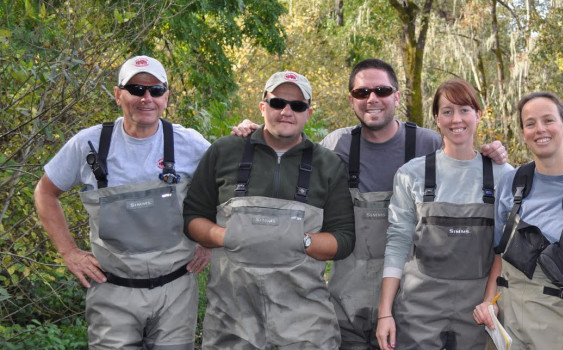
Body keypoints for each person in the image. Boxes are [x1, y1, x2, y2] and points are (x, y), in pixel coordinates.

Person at [233, 58, 508, 349]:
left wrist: (493, 154)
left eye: (382, 91)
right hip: (347, 302)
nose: (372, 99)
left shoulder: (428, 143)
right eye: (363, 93)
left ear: (397, 96)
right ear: (351, 100)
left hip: (412, 306)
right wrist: (257, 136)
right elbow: (289, 163)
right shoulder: (336, 145)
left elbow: (463, 162)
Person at [33, 55, 211, 349]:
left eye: (155, 90)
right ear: (118, 95)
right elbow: (45, 192)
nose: (146, 98)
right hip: (112, 290)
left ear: (166, 96)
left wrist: (208, 241)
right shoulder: (88, 144)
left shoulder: (189, 143)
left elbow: (224, 187)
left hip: (177, 291)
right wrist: (69, 252)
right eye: (136, 89)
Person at [183, 71, 355, 349]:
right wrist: (226, 236)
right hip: (231, 322)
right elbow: (192, 218)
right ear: (263, 106)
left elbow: (344, 239)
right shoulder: (224, 151)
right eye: (278, 103)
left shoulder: (328, 164)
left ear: (308, 113)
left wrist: (302, 241)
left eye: (297, 106)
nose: (287, 112)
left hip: (305, 325)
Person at [375, 78, 513, 350]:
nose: (456, 119)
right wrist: (385, 312)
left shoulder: (504, 176)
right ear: (436, 119)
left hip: (478, 314)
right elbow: (398, 243)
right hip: (419, 313)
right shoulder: (411, 174)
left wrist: (489, 303)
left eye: (464, 109)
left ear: (478, 114)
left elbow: (505, 250)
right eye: (447, 111)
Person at [473, 91, 563, 350]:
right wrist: (488, 302)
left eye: (548, 120)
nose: (540, 130)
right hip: (509, 324)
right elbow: (499, 256)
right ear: (523, 132)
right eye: (530, 123)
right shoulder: (510, 183)